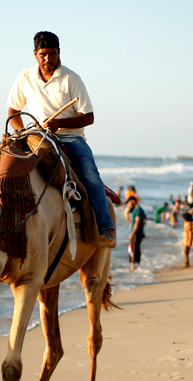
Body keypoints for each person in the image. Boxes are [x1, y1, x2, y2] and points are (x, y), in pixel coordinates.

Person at [7, 31, 116, 248]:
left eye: (52, 54)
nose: (48, 59)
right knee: (1, 164)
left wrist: (60, 124)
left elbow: (89, 116)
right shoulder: (24, 77)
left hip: (69, 137)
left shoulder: (71, 79)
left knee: (89, 173)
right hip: (35, 135)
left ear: (59, 53)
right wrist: (22, 131)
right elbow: (13, 112)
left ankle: (106, 227)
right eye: (44, 54)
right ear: (35, 54)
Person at [125, 196, 146, 270]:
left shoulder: (138, 210)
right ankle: (135, 266)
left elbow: (137, 223)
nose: (128, 205)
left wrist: (132, 234)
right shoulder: (135, 210)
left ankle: (134, 267)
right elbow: (131, 222)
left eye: (128, 203)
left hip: (136, 234)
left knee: (134, 250)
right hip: (136, 233)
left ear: (132, 201)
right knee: (133, 249)